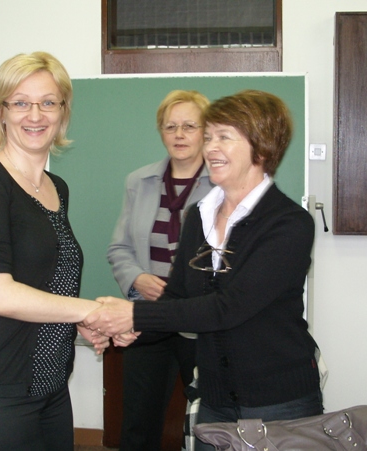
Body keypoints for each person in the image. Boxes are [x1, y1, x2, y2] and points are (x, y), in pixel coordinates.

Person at [86, 90, 323, 451]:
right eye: (209, 136)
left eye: (224, 137)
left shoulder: (289, 223)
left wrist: (132, 315)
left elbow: (229, 307)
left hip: (278, 401)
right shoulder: (199, 215)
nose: (210, 147)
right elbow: (178, 296)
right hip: (214, 400)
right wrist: (123, 329)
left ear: (262, 148)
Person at [0, 51, 124, 451]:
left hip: (51, 385)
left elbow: (46, 279)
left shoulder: (57, 188)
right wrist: (89, 312)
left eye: (48, 102)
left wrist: (76, 320)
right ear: (1, 112)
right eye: (21, 103)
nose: (35, 115)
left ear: (63, 112)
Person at [107, 89, 213, 451]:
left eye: (189, 126)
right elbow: (119, 248)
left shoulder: (223, 182)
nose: (179, 135)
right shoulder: (139, 181)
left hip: (199, 321)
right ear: (161, 132)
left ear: (206, 131)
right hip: (149, 316)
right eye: (171, 127)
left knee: (210, 420)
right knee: (138, 422)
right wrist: (136, 279)